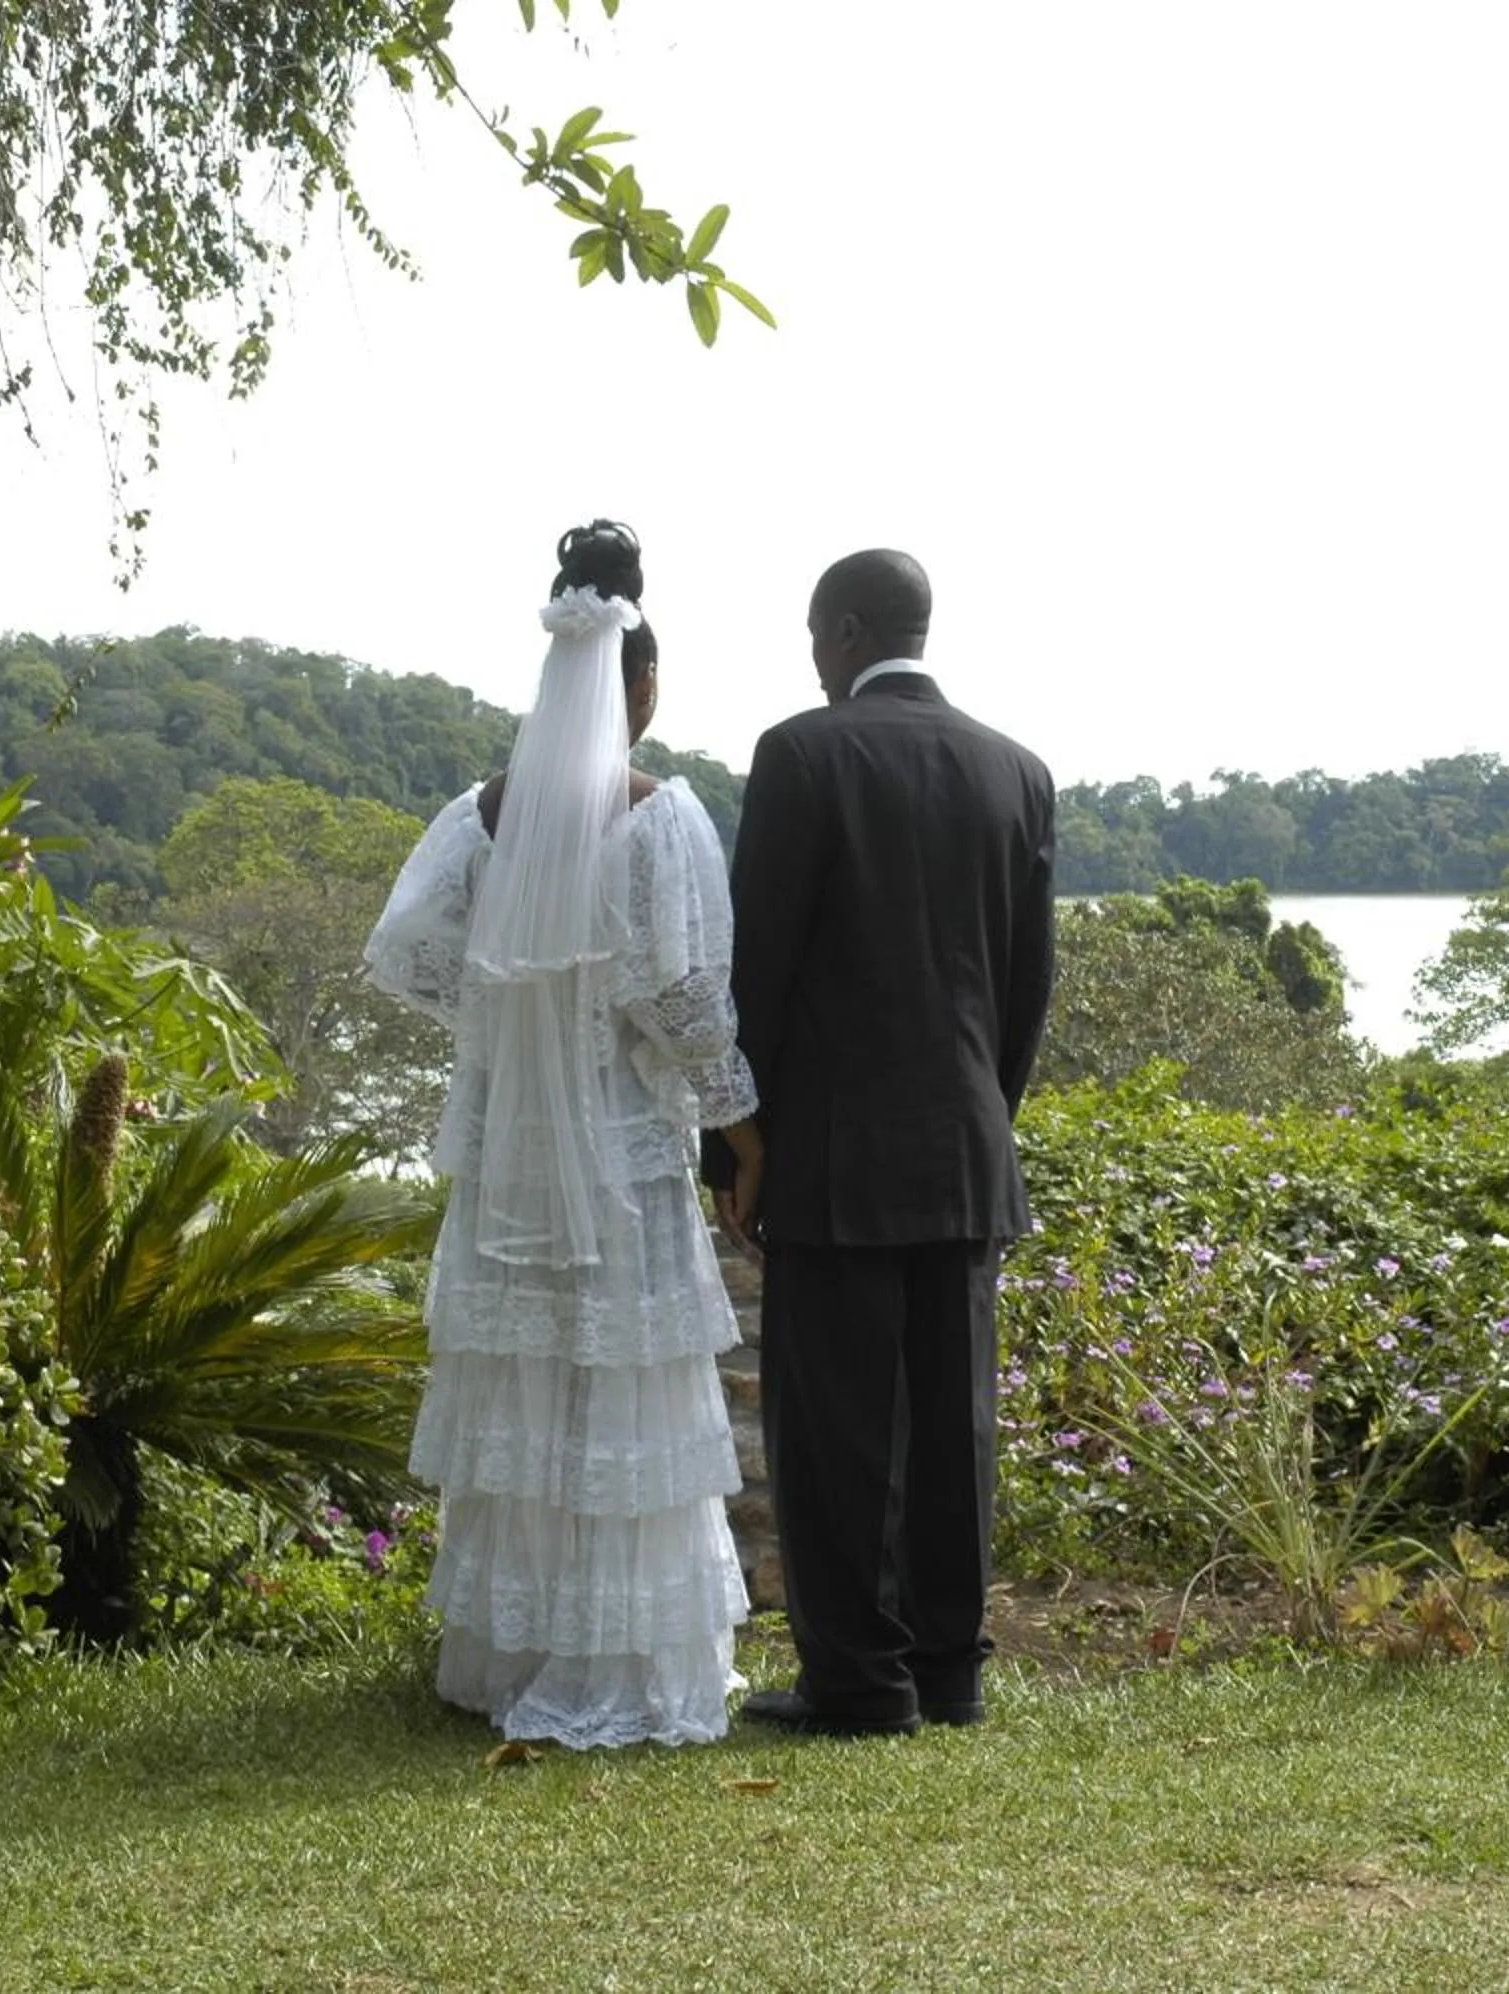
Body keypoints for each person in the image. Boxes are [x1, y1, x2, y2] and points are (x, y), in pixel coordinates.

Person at [364, 520, 763, 1749]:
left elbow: (407, 945)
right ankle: (617, 1662)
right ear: (642, 683)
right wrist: (739, 1124)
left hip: (512, 1157)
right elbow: (685, 998)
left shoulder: (479, 817)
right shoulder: (659, 819)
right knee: (619, 1400)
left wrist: (506, 1013)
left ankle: (512, 1652)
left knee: (528, 1401)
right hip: (622, 1153)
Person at [707, 547, 1055, 1738]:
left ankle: (859, 1681)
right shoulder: (1018, 769)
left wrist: (734, 1147)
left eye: (816, 635)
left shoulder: (803, 753)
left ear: (846, 630)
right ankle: (950, 1672)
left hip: (832, 1155)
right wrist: (984, 1118)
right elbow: (1027, 987)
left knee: (837, 1430)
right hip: (966, 1148)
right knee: (955, 1425)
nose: (814, 657)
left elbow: (755, 970)